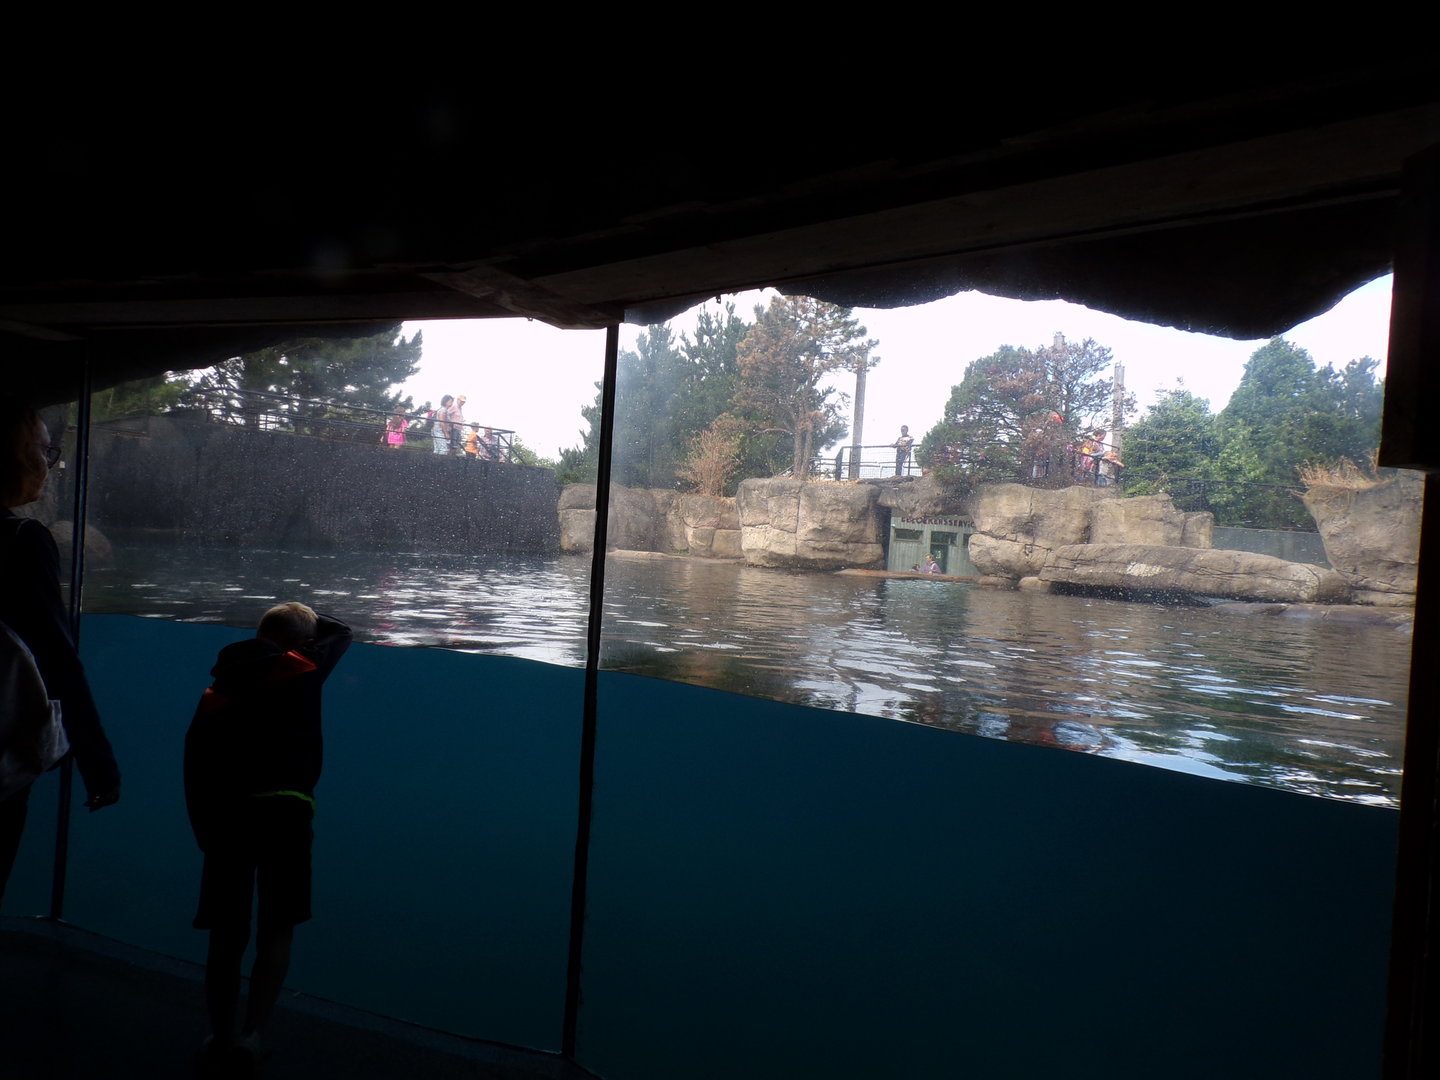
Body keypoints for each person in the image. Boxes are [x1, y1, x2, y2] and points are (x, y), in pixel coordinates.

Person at [185, 602, 351, 1068]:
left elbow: (194, 763)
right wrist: (313, 623)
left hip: (227, 820)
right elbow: (341, 632)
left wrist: (204, 830)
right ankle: (252, 1036)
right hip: (286, 815)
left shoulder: (217, 689)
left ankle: (220, 1034)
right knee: (277, 928)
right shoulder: (302, 666)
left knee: (226, 932)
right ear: (301, 643)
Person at [1, 397, 121, 902]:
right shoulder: (22, 540)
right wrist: (95, 758)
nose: (49, 466)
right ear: (17, 456)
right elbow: (56, 656)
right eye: (45, 453)